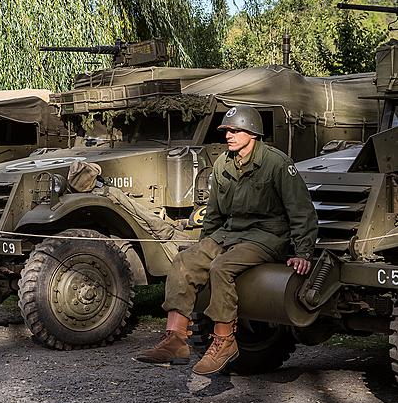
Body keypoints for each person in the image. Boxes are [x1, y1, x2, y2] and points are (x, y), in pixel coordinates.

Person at [135, 104, 316, 375]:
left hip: (267, 236)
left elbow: (301, 211)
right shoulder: (223, 164)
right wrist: (203, 246)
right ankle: (176, 339)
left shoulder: (276, 163)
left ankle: (224, 340)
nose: (228, 135)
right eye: (227, 131)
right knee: (184, 261)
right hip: (231, 233)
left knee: (222, 267)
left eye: (234, 130)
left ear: (252, 133)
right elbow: (214, 212)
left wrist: (303, 252)